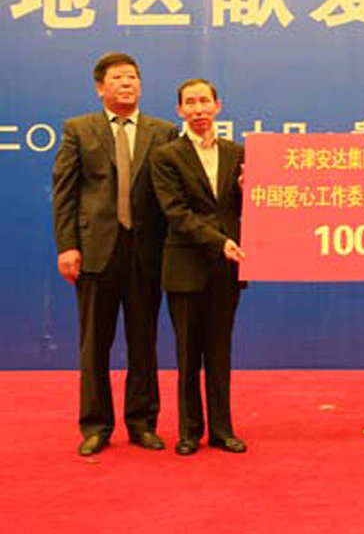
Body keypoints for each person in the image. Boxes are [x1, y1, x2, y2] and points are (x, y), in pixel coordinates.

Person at [52, 52, 177, 456]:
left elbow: (178, 189)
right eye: (118, 77)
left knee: (144, 343)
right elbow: (65, 192)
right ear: (100, 87)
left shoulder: (164, 132)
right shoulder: (79, 129)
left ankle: (142, 423)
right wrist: (67, 245)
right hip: (95, 251)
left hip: (146, 252)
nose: (127, 83)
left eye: (133, 77)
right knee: (94, 345)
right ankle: (96, 425)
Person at [150, 79, 247, 455]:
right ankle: (189, 431)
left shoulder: (237, 152)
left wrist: (247, 191)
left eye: (204, 101)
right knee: (188, 354)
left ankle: (222, 430)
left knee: (220, 353)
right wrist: (218, 241)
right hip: (185, 265)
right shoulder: (166, 156)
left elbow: (244, 209)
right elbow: (176, 212)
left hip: (228, 267)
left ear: (218, 106)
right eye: (190, 103)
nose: (198, 109)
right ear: (179, 110)